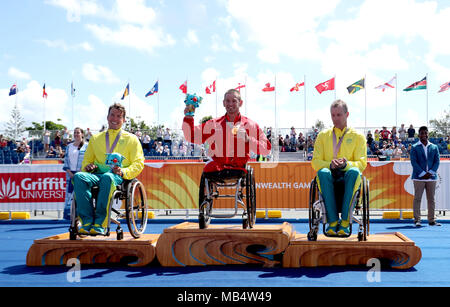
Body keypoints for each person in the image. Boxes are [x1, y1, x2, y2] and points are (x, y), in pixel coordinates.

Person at [73, 103, 145, 235]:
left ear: (123, 120)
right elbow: (86, 161)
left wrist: (124, 171)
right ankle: (87, 222)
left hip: (117, 176)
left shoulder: (132, 139)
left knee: (107, 177)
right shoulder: (95, 138)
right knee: (78, 176)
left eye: (119, 116)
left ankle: (101, 223)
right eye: (112, 115)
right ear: (107, 117)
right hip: (97, 174)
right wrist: (88, 167)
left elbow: (138, 163)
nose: (115, 118)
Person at [182, 88, 271, 175]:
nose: (230, 104)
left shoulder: (250, 125)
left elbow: (266, 149)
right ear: (224, 103)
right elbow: (191, 136)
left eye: (234, 101)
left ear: (240, 103)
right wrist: (189, 117)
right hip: (217, 167)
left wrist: (248, 140)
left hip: (239, 167)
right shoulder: (214, 124)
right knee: (206, 169)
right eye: (227, 101)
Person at [311, 100, 367, 236]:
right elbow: (315, 162)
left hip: (348, 177)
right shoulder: (323, 136)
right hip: (330, 176)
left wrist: (346, 165)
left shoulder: (358, 136)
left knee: (354, 171)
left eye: (339, 115)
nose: (335, 118)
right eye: (333, 115)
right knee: (323, 172)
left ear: (347, 114)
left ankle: (345, 223)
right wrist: (330, 165)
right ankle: (333, 222)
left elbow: (362, 163)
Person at [410, 126, 441, 227]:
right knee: (417, 199)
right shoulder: (414, 147)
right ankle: (417, 220)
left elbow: (437, 161)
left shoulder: (434, 147)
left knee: (431, 199)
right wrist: (423, 173)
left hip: (431, 177)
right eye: (421, 133)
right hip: (418, 177)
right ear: (418, 135)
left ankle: (432, 220)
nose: (423, 135)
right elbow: (414, 162)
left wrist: (431, 172)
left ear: (428, 134)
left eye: (425, 133)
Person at [62, 127, 88, 220]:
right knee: (69, 194)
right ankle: (68, 215)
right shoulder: (69, 146)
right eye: (75, 132)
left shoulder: (86, 146)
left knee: (80, 194)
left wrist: (80, 171)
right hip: (70, 174)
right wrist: (69, 172)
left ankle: (81, 215)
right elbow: (66, 160)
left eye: (78, 132)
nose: (76, 134)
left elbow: (87, 160)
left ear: (82, 134)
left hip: (81, 174)